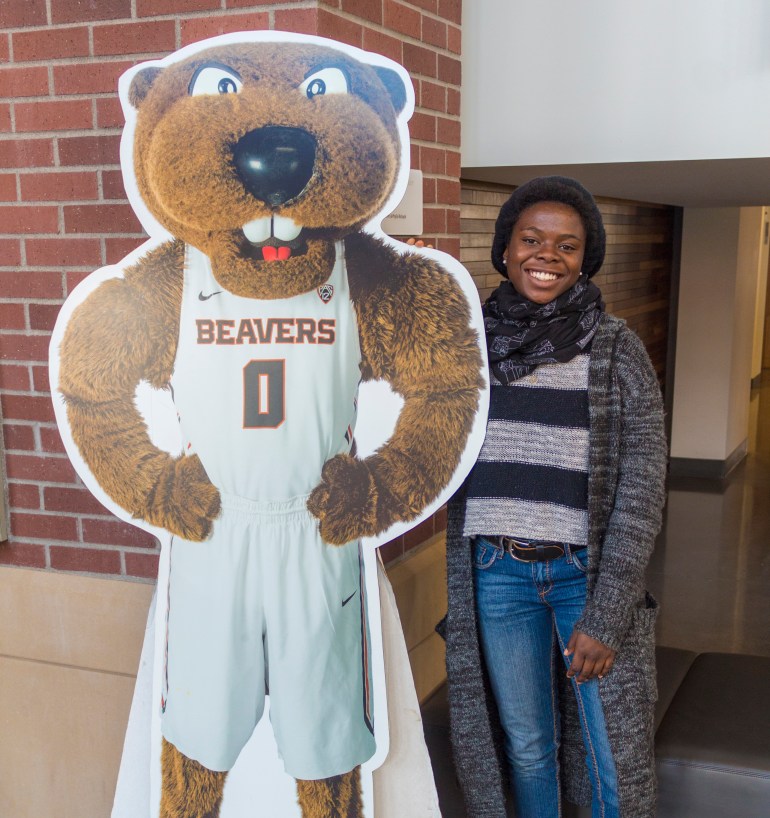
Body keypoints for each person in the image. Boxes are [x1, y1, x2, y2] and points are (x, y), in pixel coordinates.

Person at [443, 176, 667, 818]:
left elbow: (643, 487)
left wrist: (606, 613)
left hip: (582, 576)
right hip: (496, 571)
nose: (548, 256)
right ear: (505, 249)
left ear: (585, 258)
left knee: (611, 752)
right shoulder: (468, 344)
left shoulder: (616, 348)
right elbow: (403, 396)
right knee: (527, 747)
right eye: (532, 240)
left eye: (567, 246)